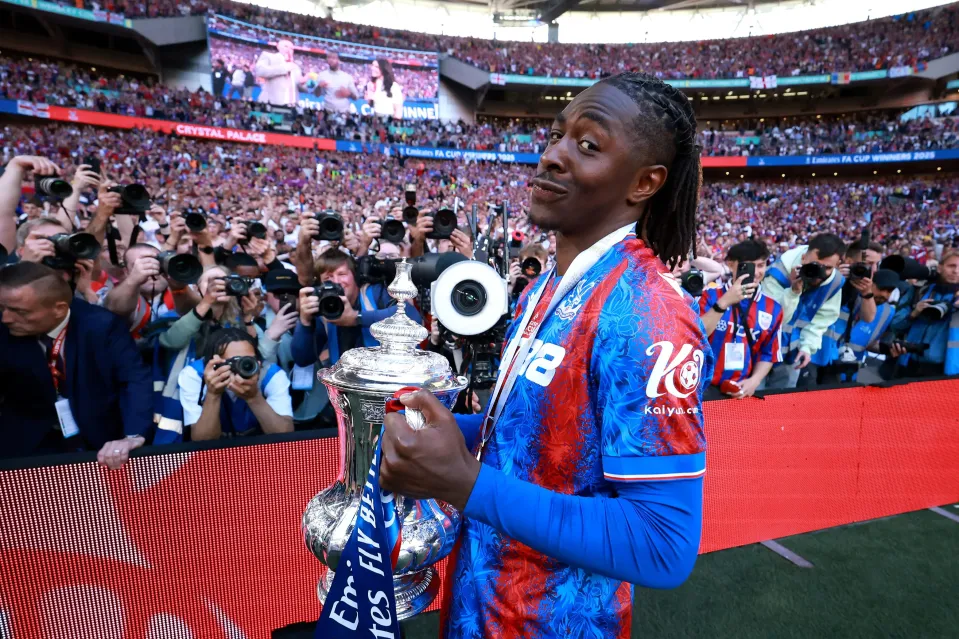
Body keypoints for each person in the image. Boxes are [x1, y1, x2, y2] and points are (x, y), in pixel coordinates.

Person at [380, 72, 711, 637]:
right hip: (479, 608)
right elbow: (532, 439)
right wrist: (433, 428)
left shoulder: (649, 314)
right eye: (556, 135)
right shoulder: (544, 288)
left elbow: (662, 543)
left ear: (644, 182)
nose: (554, 156)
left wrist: (465, 485)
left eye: (587, 145)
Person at [0, 262, 152, 466]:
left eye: (20, 311)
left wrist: (133, 435)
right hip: (24, 445)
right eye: (2, 308)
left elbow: (134, 379)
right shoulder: (2, 330)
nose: (6, 318)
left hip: (97, 442)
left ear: (59, 309)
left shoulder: (101, 326)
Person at [291, 248, 422, 367]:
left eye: (341, 274)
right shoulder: (324, 308)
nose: (336, 282)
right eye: (328, 278)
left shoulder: (373, 294)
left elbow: (412, 317)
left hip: (388, 377)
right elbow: (303, 359)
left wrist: (357, 318)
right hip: (346, 385)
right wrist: (304, 322)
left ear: (355, 276)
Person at [697, 239, 783, 399]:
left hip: (742, 390)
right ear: (730, 264)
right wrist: (724, 302)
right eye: (749, 266)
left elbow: (768, 352)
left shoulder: (773, 308)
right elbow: (697, 336)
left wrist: (755, 381)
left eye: (761, 265)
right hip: (702, 387)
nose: (756, 272)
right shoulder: (709, 295)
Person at [762, 233, 846, 389]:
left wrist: (807, 346)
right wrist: (793, 291)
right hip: (761, 346)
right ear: (803, 258)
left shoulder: (834, 282)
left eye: (827, 268)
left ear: (838, 264)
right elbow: (771, 319)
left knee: (780, 401)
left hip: (792, 353)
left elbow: (821, 320)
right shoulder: (780, 271)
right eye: (814, 265)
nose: (819, 274)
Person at [177, 328, 294, 440]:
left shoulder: (271, 375)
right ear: (216, 363)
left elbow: (285, 435)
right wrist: (213, 394)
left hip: (258, 448)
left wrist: (254, 397)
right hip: (215, 453)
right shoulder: (195, 375)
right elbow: (203, 440)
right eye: (234, 361)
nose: (242, 367)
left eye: (248, 360)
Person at [886, 249, 959, 378]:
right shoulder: (919, 291)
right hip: (907, 363)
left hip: (943, 371)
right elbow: (895, 325)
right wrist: (914, 312)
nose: (956, 271)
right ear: (940, 268)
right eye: (951, 266)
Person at [254, 39, 304, 107]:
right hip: (272, 102)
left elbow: (299, 87)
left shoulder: (296, 67)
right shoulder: (269, 56)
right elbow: (260, 71)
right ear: (278, 47)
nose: (289, 49)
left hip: (292, 105)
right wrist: (284, 68)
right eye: (286, 46)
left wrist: (303, 82)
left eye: (291, 48)